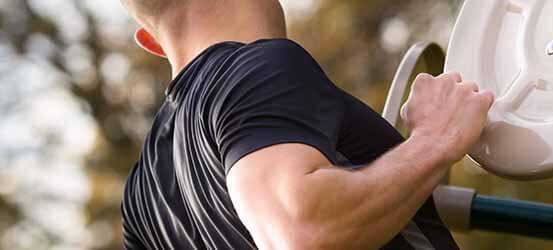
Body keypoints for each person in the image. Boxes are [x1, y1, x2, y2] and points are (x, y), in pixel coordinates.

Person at [118, 0, 494, 249]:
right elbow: (302, 231)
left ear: (151, 40)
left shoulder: (140, 198)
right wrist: (433, 141)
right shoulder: (258, 68)